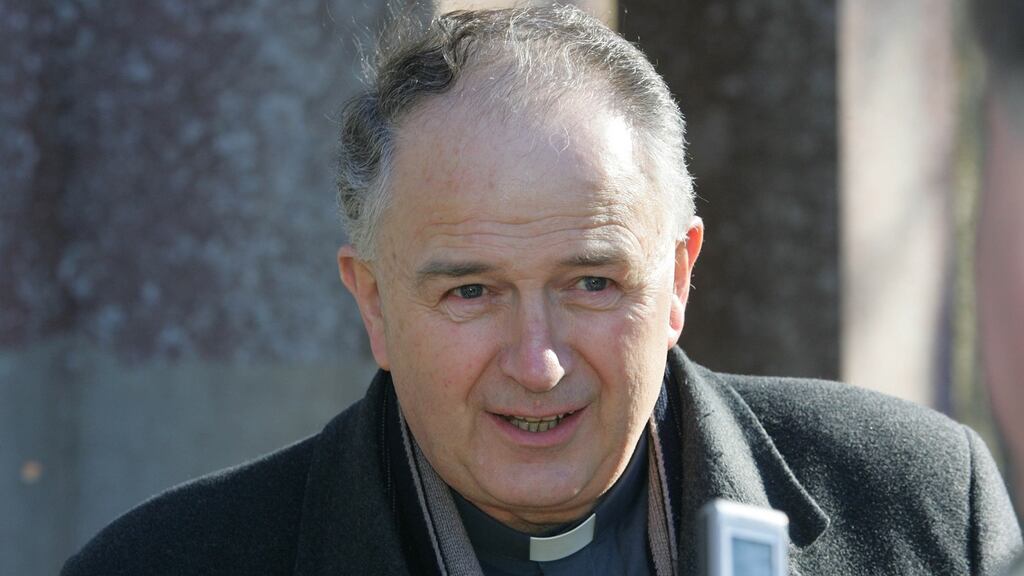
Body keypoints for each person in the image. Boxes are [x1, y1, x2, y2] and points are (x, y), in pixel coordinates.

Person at [62, 6, 1021, 575]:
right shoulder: (165, 565)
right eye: (471, 292)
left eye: (593, 281)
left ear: (680, 276)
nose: (539, 361)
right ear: (373, 305)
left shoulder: (925, 508)